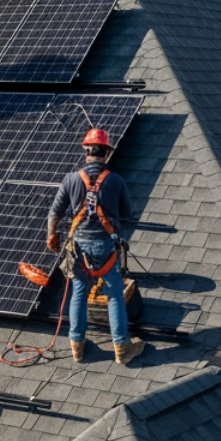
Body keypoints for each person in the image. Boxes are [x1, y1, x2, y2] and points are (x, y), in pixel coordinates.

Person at [46, 128, 145, 366]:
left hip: (79, 246)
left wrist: (51, 235)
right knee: (114, 297)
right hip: (106, 247)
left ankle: (77, 347)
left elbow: (55, 212)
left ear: (86, 152)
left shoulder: (70, 179)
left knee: (78, 293)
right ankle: (122, 347)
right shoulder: (115, 180)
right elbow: (127, 213)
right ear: (106, 153)